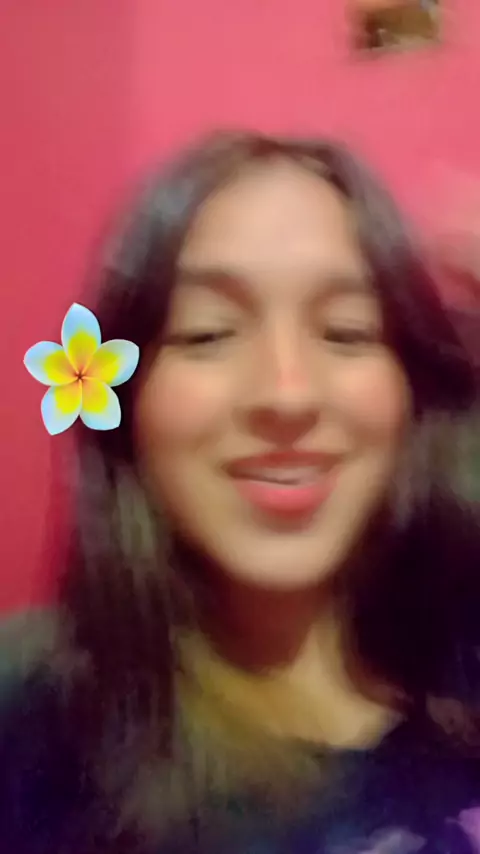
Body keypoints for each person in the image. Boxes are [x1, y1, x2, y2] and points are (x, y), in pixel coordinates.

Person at [1, 131, 480, 854]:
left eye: (347, 332)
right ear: (122, 401)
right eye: (208, 334)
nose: (286, 394)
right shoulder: (33, 724)